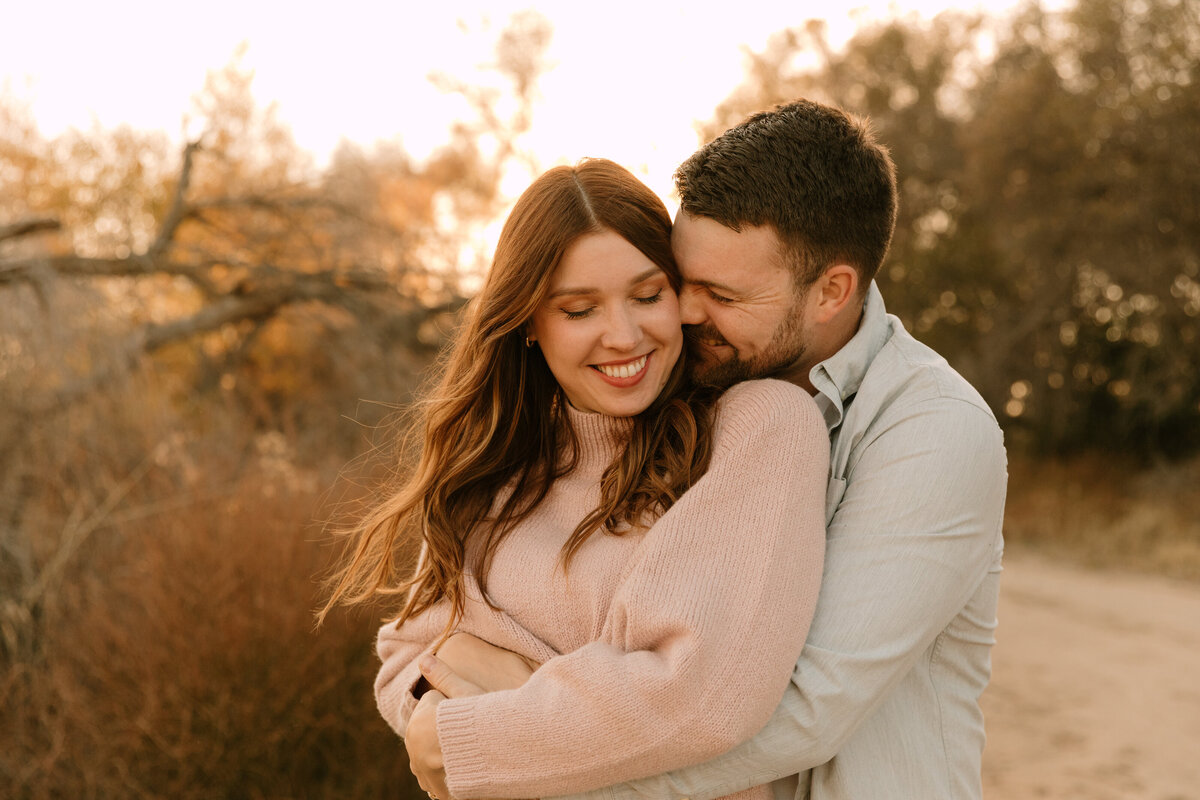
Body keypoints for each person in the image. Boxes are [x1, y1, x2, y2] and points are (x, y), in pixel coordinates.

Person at [420, 100, 1008, 800]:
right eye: (680, 281)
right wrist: (454, 710)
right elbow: (438, 640)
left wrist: (493, 746)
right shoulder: (696, 396)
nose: (685, 314)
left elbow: (800, 704)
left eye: (719, 293)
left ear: (831, 292)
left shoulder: (932, 429)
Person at [321, 158, 830, 800]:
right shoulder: (491, 470)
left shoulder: (758, 431)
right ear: (530, 323)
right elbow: (408, 658)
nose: (623, 335)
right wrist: (580, 710)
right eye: (579, 309)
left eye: (648, 296)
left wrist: (479, 718)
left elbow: (704, 698)